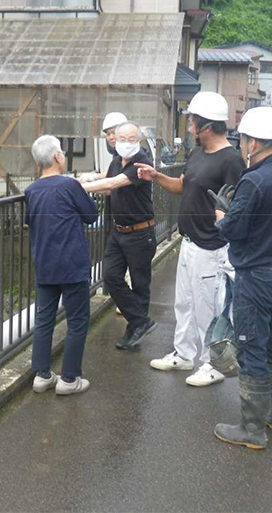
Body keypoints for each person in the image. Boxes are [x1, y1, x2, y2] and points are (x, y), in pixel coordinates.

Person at [135, 92, 245, 386]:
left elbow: (236, 206)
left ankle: (212, 364)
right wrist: (155, 176)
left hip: (212, 246)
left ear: (206, 126)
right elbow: (182, 187)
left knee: (207, 308)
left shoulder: (231, 160)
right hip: (189, 241)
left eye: (192, 121)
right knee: (183, 303)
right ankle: (184, 355)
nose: (189, 126)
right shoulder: (197, 155)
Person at [209, 107, 272, 450]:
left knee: (252, 350)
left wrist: (223, 216)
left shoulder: (254, 180)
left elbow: (234, 229)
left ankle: (252, 430)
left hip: (257, 278)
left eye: (244, 141)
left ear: (252, 142)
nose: (243, 146)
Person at [25, 135, 99, 396]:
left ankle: (42, 375)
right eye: (63, 154)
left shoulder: (31, 191)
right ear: (57, 157)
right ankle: (69, 379)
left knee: (44, 319)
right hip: (71, 263)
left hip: (44, 263)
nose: (64, 157)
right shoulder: (69, 186)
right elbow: (91, 215)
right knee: (78, 320)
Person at [81, 122, 157, 350]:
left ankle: (134, 328)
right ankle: (141, 321)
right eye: (121, 138)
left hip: (140, 232)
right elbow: (108, 187)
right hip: (119, 231)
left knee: (140, 284)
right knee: (111, 276)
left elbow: (116, 182)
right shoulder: (116, 161)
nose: (124, 143)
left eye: (131, 139)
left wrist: (77, 187)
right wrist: (91, 180)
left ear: (139, 141)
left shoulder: (142, 162)